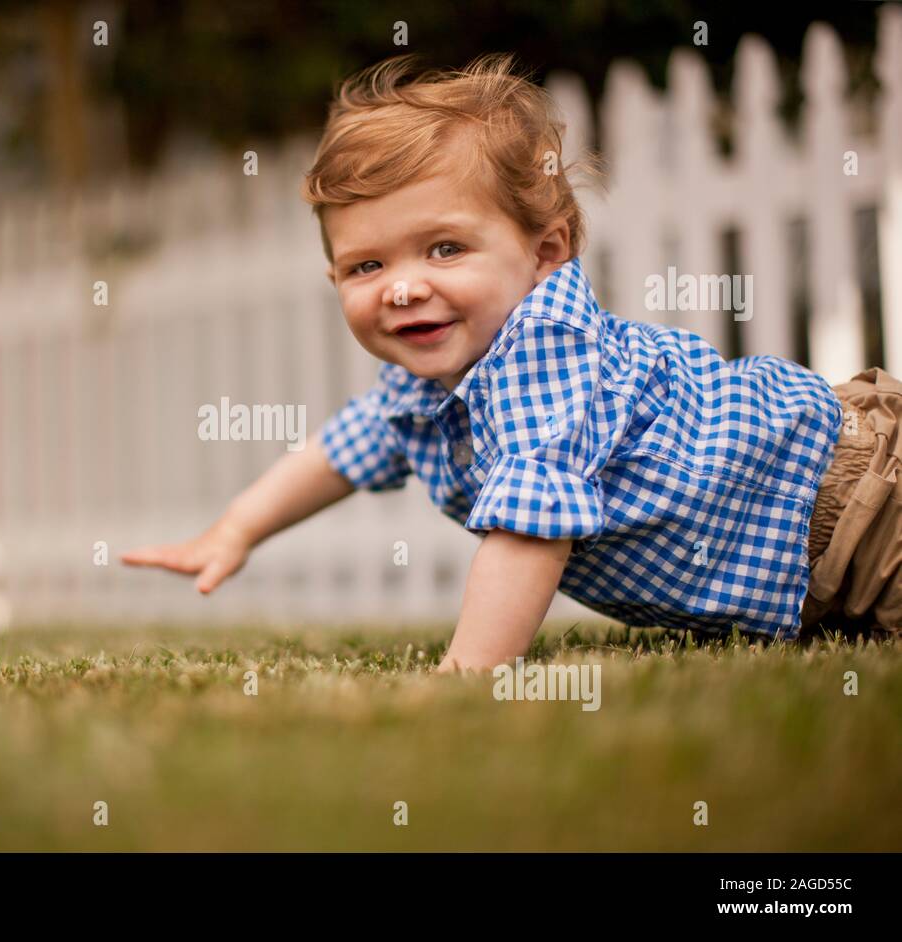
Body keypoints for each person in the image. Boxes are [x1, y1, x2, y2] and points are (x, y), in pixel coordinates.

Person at [123, 53, 898, 672]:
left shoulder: (542, 349)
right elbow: (342, 451)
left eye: (445, 248)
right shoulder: (432, 381)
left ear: (546, 252)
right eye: (366, 267)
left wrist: (470, 671)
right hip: (820, 556)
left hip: (860, 503)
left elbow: (532, 531)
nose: (402, 287)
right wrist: (235, 530)